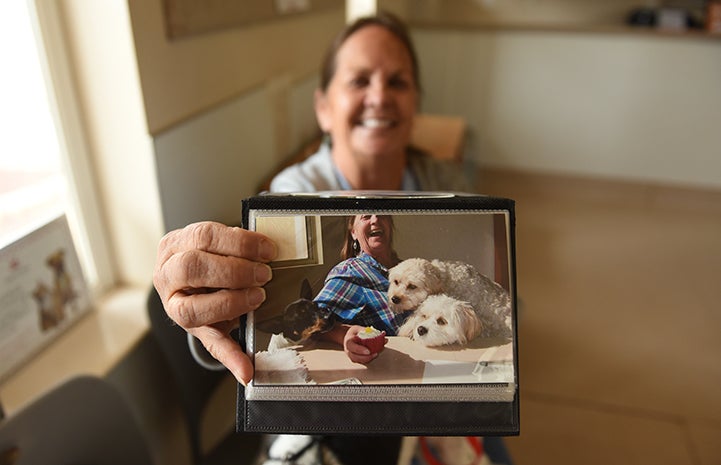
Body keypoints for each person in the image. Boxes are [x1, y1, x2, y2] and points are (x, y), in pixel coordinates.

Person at [153, 11, 512, 465]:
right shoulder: (288, 198)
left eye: (397, 83)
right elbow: (293, 322)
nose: (380, 96)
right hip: (342, 419)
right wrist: (207, 300)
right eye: (359, 80)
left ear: (416, 103)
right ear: (323, 107)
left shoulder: (443, 182)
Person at [314, 214, 406, 364]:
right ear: (353, 233)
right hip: (398, 368)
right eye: (366, 216)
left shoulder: (408, 268)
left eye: (382, 214)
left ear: (390, 225)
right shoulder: (351, 270)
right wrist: (345, 334)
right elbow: (311, 320)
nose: (375, 219)